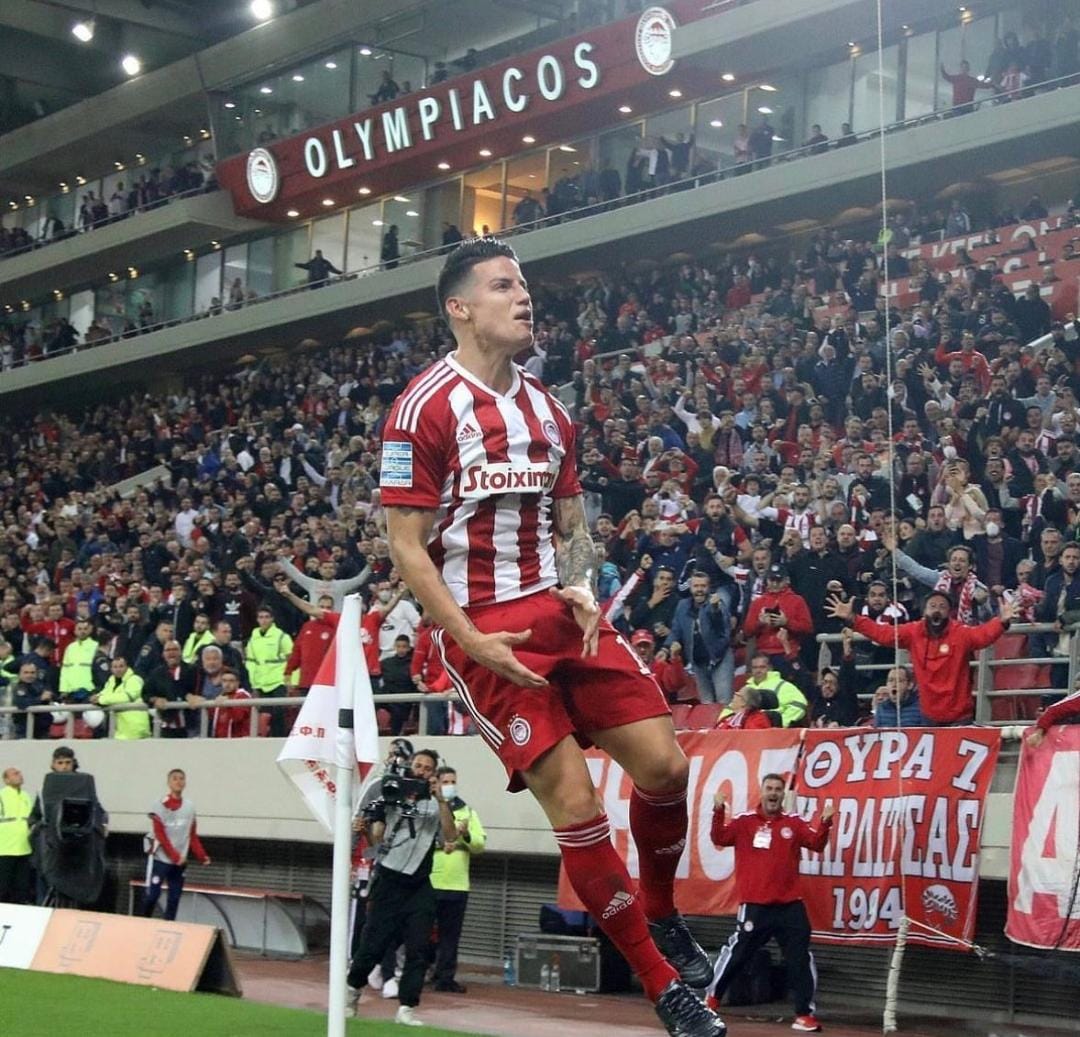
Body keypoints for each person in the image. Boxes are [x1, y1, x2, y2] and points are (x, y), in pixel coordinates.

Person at [379, 237, 724, 1037]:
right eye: (504, 286)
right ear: (460, 308)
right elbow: (405, 545)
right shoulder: (422, 408)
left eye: (524, 284)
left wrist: (584, 580)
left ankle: (665, 911)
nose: (523, 297)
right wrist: (468, 638)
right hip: (484, 631)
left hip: (560, 615)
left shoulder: (549, 409)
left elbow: (572, 523)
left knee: (666, 766)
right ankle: (662, 983)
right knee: (573, 800)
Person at [708, 775, 835, 1033]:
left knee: (800, 958)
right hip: (755, 905)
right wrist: (718, 809)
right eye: (769, 789)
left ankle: (804, 1015)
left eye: (778, 789)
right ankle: (711, 1000)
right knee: (738, 954)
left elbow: (816, 844)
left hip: (790, 906)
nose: (773, 794)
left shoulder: (794, 823)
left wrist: (825, 822)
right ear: (762, 792)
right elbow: (719, 837)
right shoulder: (744, 822)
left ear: (782, 795)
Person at [346, 748, 458, 1026]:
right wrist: (366, 825)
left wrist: (441, 799)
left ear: (434, 772)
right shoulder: (391, 792)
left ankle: (407, 1007)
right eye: (417, 765)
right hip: (389, 880)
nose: (420, 771)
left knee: (418, 949)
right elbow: (377, 837)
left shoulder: (437, 802)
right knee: (372, 944)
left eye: (427, 767)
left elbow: (450, 835)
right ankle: (351, 991)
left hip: (420, 885)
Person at [826, 591, 1020, 725]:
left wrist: (1001, 622)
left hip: (960, 717)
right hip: (928, 717)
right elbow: (882, 634)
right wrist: (853, 619)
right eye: (932, 606)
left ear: (949, 612)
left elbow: (982, 635)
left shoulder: (960, 634)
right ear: (925, 610)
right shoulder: (913, 632)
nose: (937, 610)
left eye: (942, 607)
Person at [429, 765, 486, 992]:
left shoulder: (467, 812)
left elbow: (480, 844)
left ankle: (445, 978)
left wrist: (464, 835)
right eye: (445, 782)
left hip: (457, 884)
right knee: (421, 933)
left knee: (450, 936)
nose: (450, 786)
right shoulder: (429, 809)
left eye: (453, 781)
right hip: (430, 880)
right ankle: (421, 969)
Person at [142, 768, 211, 920]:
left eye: (181, 778)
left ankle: (168, 925)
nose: (179, 781)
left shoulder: (189, 807)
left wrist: (202, 855)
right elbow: (160, 834)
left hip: (180, 862)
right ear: (168, 782)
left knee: (174, 898)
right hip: (161, 859)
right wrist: (174, 856)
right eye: (175, 778)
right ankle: (143, 921)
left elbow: (191, 835)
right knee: (153, 895)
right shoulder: (159, 805)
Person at [245, 605, 294, 736]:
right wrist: (252, 684)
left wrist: (290, 682)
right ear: (257, 619)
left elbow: (292, 660)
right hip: (260, 683)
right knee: (262, 717)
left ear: (272, 619)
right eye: (261, 617)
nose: (264, 620)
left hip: (278, 681)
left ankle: (279, 739)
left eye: (267, 617)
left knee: (279, 715)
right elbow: (251, 662)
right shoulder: (253, 638)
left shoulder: (282, 636)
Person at [95, 655, 150, 739]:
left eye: (121, 666)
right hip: (120, 731)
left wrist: (101, 699)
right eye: (115, 667)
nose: (118, 669)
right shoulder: (111, 681)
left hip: (136, 729)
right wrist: (96, 697)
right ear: (111, 669)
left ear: (127, 667)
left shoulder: (135, 680)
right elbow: (104, 693)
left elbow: (127, 697)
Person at [0, 766, 33, 903]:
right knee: (3, 887)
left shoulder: (26, 796)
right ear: (6, 780)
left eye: (19, 772)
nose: (19, 775)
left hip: (24, 848)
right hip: (5, 848)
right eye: (15, 774)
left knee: (22, 888)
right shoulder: (1, 795)